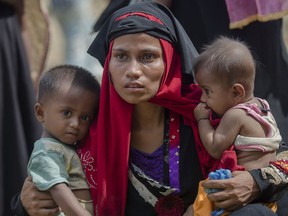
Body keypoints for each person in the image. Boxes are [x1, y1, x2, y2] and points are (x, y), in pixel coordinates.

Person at [11, 2, 288, 216]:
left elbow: (279, 156)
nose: (133, 71)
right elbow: (42, 181)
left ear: (169, 61)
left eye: (147, 57)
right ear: (108, 63)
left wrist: (255, 182)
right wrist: (24, 204)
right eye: (121, 57)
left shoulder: (210, 113)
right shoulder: (84, 127)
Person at [192, 36, 282, 215]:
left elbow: (215, 147)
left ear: (236, 92)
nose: (202, 98)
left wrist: (202, 119)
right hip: (265, 192)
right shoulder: (261, 106)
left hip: (238, 192)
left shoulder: (235, 115)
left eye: (207, 91)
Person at [27, 64, 100, 215]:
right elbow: (59, 190)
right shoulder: (46, 152)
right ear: (40, 113)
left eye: (85, 117)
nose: (76, 124)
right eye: (66, 113)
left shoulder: (67, 147)